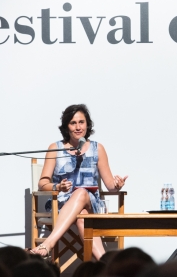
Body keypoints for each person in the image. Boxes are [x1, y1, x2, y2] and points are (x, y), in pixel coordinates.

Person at [30, 104, 128, 260]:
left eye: (81, 122)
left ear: (87, 124)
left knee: (81, 193)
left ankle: (48, 243)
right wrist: (58, 186)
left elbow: (110, 186)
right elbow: (42, 184)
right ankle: (106, 264)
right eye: (73, 123)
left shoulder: (98, 148)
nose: (78, 127)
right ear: (66, 126)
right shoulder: (55, 148)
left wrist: (117, 185)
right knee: (82, 218)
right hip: (61, 204)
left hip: (91, 203)